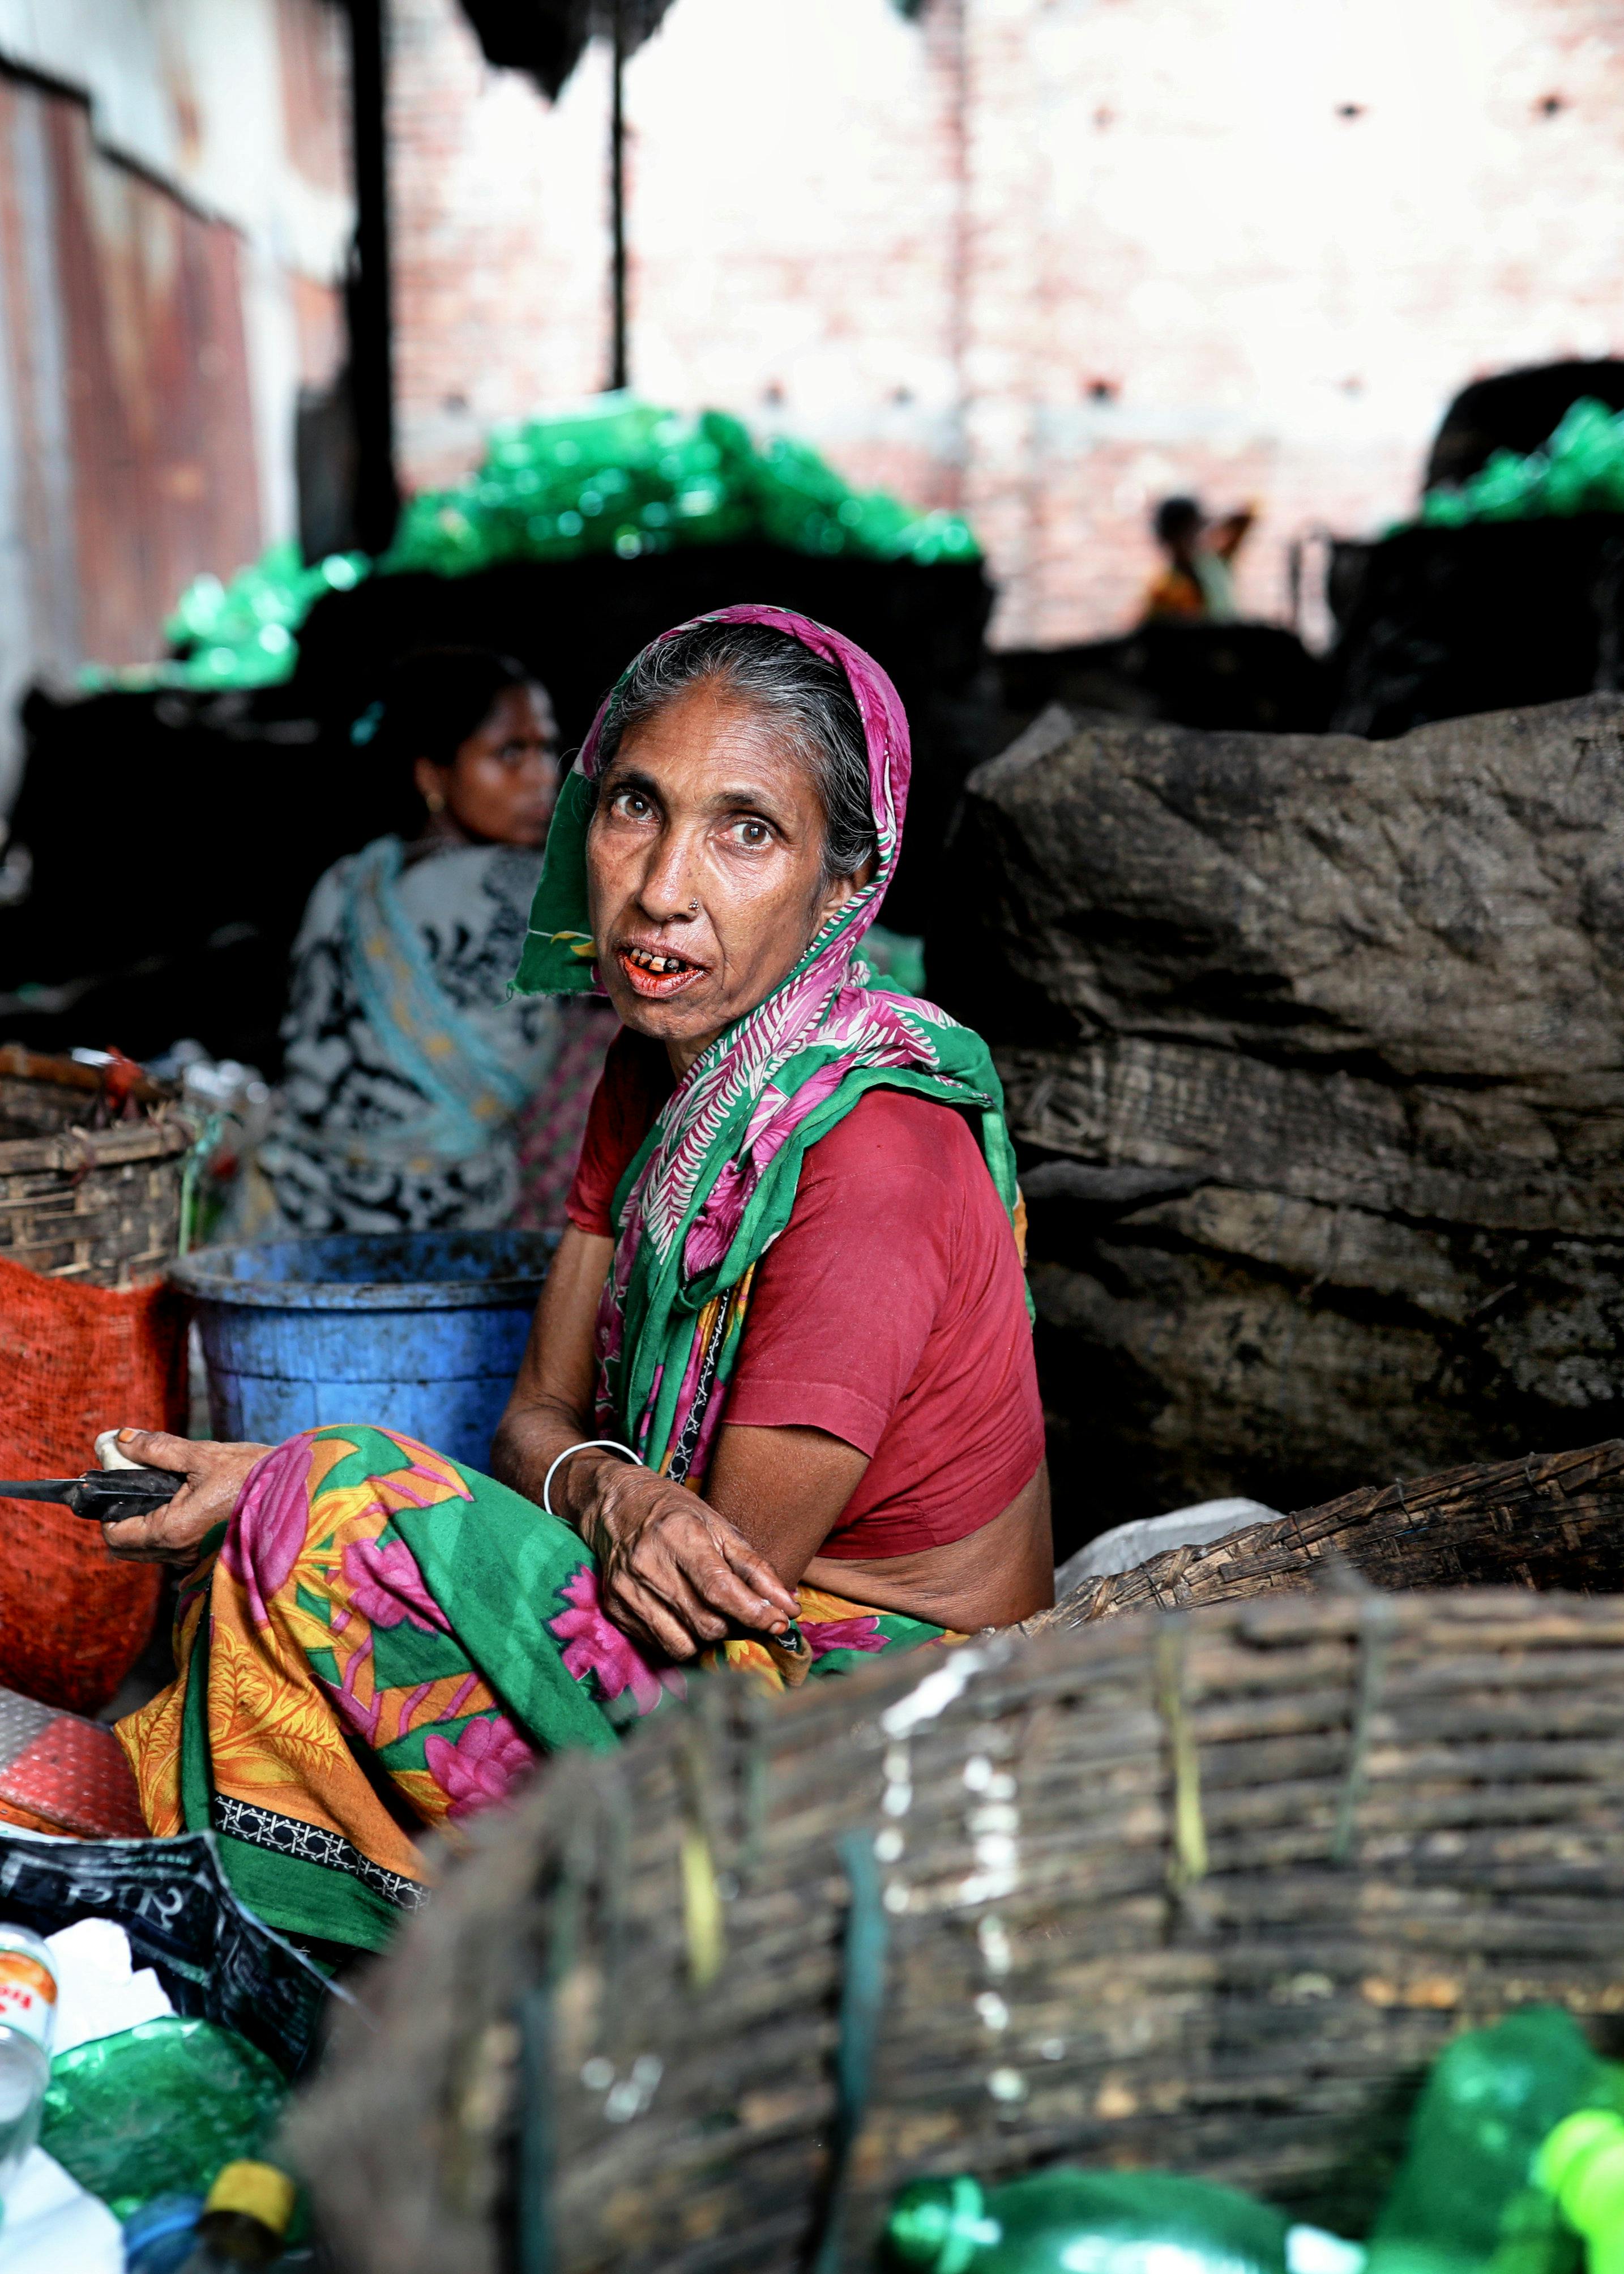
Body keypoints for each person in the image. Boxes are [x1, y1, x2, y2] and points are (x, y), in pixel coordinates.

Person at [106, 608, 1052, 1951]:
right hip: (717, 1634)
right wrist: (605, 1489)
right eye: (635, 806)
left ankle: (380, 1952)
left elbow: (714, 1587)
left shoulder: (869, 1155)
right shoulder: (650, 1073)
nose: (661, 887)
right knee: (282, 1566)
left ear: (847, 884)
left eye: (746, 831)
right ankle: (328, 1931)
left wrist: (316, 1483)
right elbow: (533, 1424)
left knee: (325, 1515)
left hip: (874, 1706)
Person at [242, 647, 605, 1236]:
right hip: (450, 1222)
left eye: (547, 749)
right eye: (509, 753)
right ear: (433, 775)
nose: (544, 776)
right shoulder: (533, 888)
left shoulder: (346, 880)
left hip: (299, 1210)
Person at [1140, 494, 1251, 625]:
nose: (1194, 537)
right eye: (1188, 532)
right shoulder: (1167, 588)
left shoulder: (1212, 565)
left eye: (1196, 529)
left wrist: (1217, 518)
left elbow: (1248, 515)